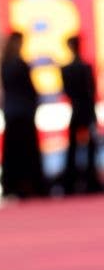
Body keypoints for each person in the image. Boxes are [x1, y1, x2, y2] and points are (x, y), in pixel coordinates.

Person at [0, 31, 46, 198]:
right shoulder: (20, 64)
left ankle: (12, 185)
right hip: (24, 114)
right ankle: (30, 185)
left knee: (13, 153)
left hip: (11, 114)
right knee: (27, 153)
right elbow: (30, 91)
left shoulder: (4, 63)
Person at [61, 36, 101, 193]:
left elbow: (69, 92)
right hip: (85, 111)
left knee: (74, 147)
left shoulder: (67, 69)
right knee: (88, 147)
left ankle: (70, 182)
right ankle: (89, 180)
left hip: (77, 111)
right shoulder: (85, 68)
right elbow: (91, 92)